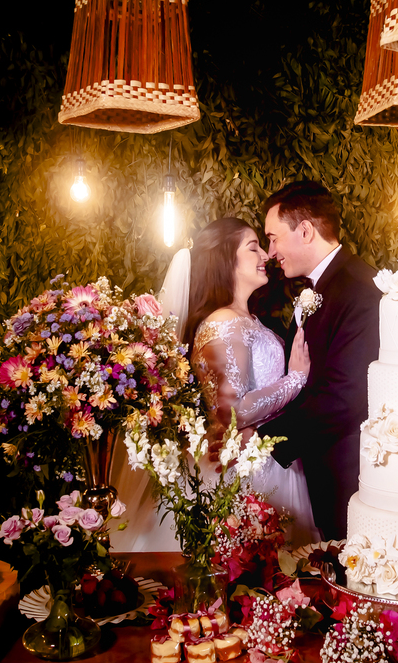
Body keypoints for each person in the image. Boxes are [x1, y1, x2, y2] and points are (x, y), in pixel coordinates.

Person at [111, 217, 319, 551]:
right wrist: (295, 380)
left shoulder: (247, 319)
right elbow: (232, 411)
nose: (265, 255)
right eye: (253, 248)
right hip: (246, 469)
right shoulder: (224, 322)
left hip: (266, 457)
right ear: (226, 260)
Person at [257, 181, 380, 539]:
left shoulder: (359, 289)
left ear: (305, 231)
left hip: (347, 478)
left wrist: (265, 440)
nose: (271, 251)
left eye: (273, 238)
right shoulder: (325, 286)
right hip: (322, 473)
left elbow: (347, 396)